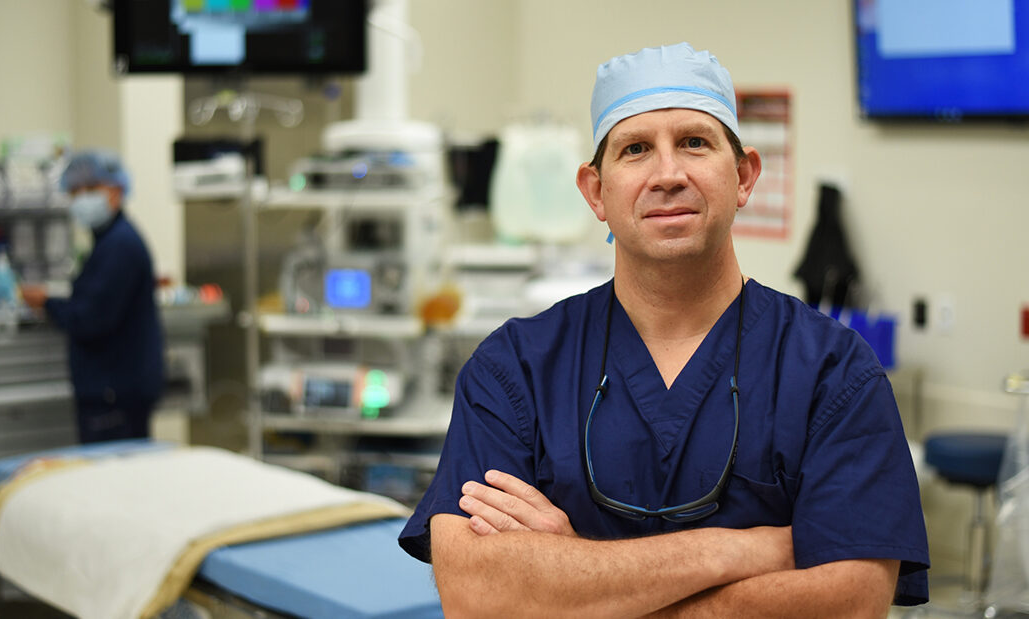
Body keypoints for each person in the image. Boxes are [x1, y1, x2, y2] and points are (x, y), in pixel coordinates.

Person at [398, 43, 929, 617]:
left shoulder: (832, 370)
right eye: (636, 149)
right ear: (596, 192)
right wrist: (748, 549)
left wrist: (574, 573)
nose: (668, 174)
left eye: (695, 143)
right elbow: (476, 595)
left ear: (745, 175)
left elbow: (849, 604)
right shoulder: (516, 369)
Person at [22, 150, 164, 444]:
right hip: (115, 389)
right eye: (75, 191)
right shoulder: (111, 242)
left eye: (91, 189)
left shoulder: (119, 246)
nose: (82, 198)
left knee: (113, 479)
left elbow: (91, 319)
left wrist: (47, 303)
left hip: (114, 394)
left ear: (116, 191)